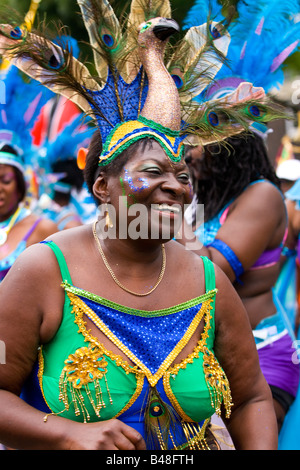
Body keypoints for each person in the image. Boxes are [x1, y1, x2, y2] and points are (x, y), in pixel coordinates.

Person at [0, 0, 281, 450]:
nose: (175, 186)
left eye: (183, 175)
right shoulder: (43, 270)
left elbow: (251, 398)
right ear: (102, 187)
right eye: (152, 172)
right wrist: (68, 433)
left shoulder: (207, 281)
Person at [179, 132, 300, 432]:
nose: (189, 155)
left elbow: (211, 271)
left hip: (261, 357)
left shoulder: (264, 195)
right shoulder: (214, 198)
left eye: (197, 145)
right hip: (209, 356)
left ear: (229, 147)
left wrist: (172, 212)